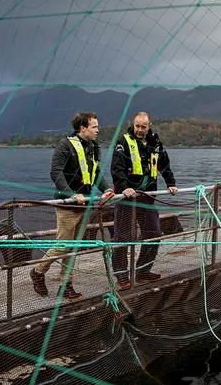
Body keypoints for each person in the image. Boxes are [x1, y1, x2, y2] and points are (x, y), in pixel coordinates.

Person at [31, 111, 114, 302]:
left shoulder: (93, 147)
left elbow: (95, 172)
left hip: (84, 205)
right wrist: (71, 194)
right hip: (67, 205)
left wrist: (107, 189)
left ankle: (65, 285)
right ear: (83, 128)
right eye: (94, 126)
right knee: (63, 245)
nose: (97, 130)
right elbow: (55, 172)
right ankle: (38, 271)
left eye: (97, 126)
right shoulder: (65, 145)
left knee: (74, 247)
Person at [110, 112, 178, 289]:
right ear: (133, 124)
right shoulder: (123, 142)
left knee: (154, 234)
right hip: (126, 198)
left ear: (149, 126)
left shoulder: (156, 143)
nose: (140, 130)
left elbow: (164, 165)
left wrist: (171, 183)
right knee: (122, 237)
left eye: (143, 126)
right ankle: (121, 275)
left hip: (147, 198)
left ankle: (142, 271)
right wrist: (124, 187)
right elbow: (116, 168)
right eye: (137, 126)